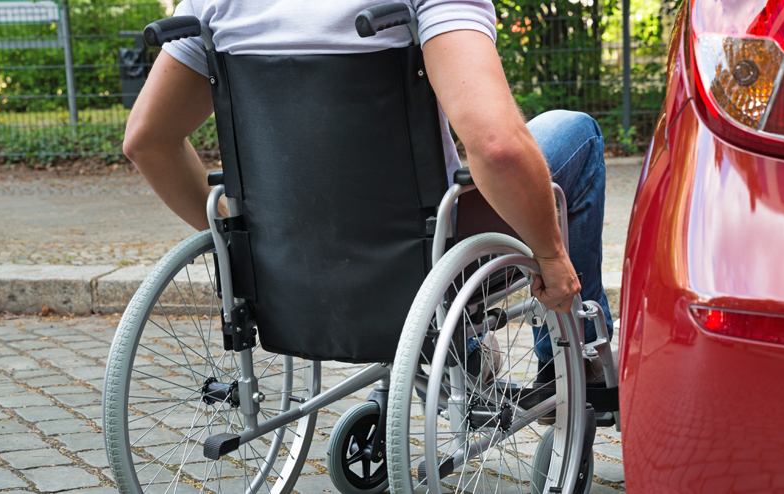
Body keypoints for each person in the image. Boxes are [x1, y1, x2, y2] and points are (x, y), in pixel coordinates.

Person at [122, 0, 614, 380]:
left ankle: (464, 345)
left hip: (289, 267)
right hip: (430, 259)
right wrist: (550, 254)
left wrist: (244, 243)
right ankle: (575, 363)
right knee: (577, 132)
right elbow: (497, 147)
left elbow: (147, 141)